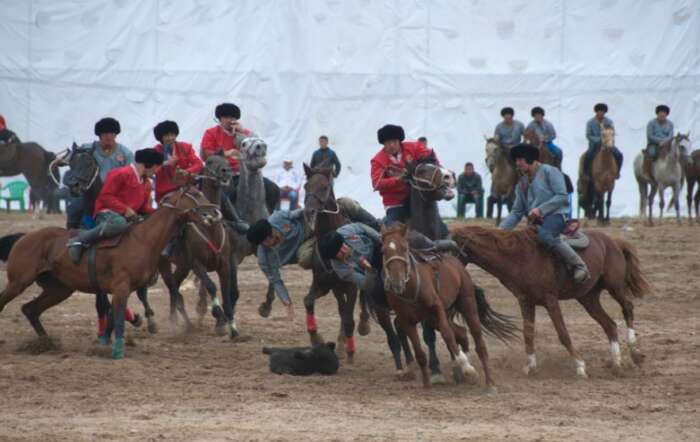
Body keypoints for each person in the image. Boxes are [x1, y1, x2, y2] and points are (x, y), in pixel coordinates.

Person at [500, 143, 589, 283]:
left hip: (556, 216)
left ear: (529, 159)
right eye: (516, 160)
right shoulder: (521, 183)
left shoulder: (550, 171)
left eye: (520, 160)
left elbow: (562, 196)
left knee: (545, 236)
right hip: (535, 223)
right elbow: (516, 212)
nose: (517, 163)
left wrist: (541, 209)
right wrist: (500, 231)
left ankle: (580, 266)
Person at [67, 148, 162, 263]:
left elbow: (143, 208)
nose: (157, 171)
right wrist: (125, 209)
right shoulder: (120, 173)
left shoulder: (146, 183)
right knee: (119, 223)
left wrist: (159, 213)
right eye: (156, 167)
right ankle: (79, 239)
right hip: (106, 213)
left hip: (128, 217)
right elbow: (105, 196)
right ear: (148, 164)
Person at [200, 102, 277, 206]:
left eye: (233, 117)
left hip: (244, 174)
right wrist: (227, 153)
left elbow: (258, 146)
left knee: (273, 190)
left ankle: (266, 218)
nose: (230, 120)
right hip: (223, 175)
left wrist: (243, 131)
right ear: (220, 118)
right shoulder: (211, 133)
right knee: (231, 196)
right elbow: (208, 155)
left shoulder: (242, 133)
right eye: (226, 117)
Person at [66, 117, 134, 229]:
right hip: (89, 193)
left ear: (116, 134)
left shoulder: (126, 154)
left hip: (114, 195)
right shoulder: (88, 149)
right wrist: (63, 160)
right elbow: (73, 157)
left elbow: (130, 177)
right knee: (75, 207)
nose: (108, 136)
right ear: (99, 135)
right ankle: (71, 235)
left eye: (112, 133)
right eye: (105, 133)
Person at [370, 124, 437, 224]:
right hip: (395, 203)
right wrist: (397, 179)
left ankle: (445, 235)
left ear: (399, 141)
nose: (392, 145)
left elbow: (431, 157)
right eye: (388, 142)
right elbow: (376, 184)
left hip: (419, 197)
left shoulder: (414, 147)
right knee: (392, 228)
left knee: (439, 225)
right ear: (383, 144)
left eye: (394, 141)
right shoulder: (377, 160)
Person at [245, 210, 305, 321]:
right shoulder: (264, 259)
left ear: (272, 228)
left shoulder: (278, 217)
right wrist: (287, 303)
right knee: (305, 257)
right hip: (302, 251)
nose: (268, 243)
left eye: (270, 237)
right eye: (263, 242)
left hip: (306, 228)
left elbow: (300, 213)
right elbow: (276, 280)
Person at [152, 120, 203, 203]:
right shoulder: (155, 151)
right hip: (166, 192)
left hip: (187, 188)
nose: (170, 138)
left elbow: (198, 163)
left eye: (172, 135)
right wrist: (165, 163)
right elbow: (151, 170)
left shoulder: (185, 147)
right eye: (166, 136)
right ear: (160, 137)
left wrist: (186, 171)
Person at [584, 103, 623, 179]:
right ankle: (586, 173)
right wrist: (599, 140)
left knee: (619, 154)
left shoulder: (609, 122)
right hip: (594, 145)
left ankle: (617, 172)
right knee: (588, 155)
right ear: (596, 112)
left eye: (603, 112)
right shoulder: (590, 122)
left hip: (607, 144)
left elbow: (612, 132)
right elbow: (588, 135)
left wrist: (608, 140)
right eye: (599, 111)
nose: (601, 113)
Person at [644, 105, 674, 182]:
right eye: (661, 112)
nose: (663, 114)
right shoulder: (651, 123)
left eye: (664, 113)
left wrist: (665, 142)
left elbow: (671, 135)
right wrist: (660, 141)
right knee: (651, 153)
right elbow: (650, 135)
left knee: (676, 154)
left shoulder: (670, 124)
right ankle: (648, 172)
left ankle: (677, 174)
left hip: (667, 144)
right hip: (653, 144)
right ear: (657, 113)